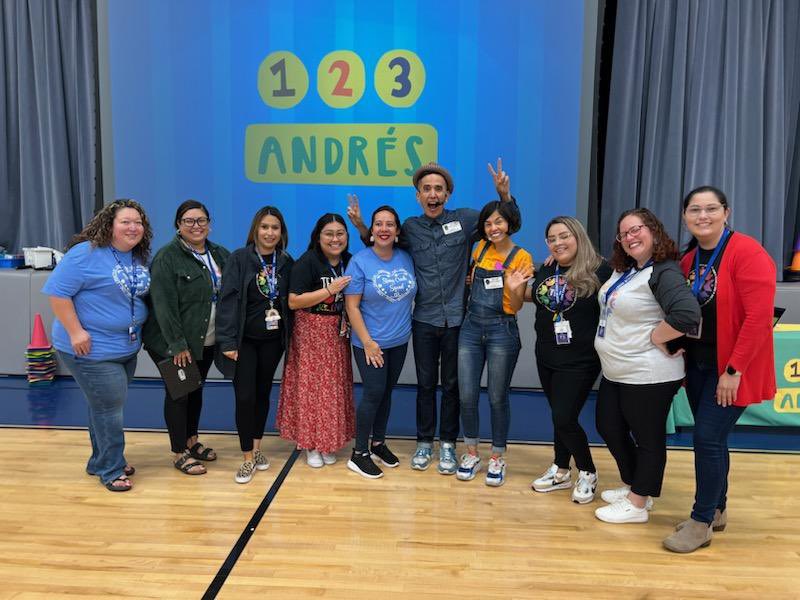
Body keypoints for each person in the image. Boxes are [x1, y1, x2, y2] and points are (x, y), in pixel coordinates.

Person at [347, 159, 516, 475]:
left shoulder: (465, 220)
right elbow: (381, 244)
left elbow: (503, 225)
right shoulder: (409, 227)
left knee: (452, 385)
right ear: (418, 195)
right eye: (426, 189)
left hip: (457, 320)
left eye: (439, 188)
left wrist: (504, 196)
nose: (433, 194)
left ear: (448, 194)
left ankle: (449, 445)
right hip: (423, 321)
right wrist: (360, 228)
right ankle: (425, 443)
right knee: (425, 384)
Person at [662, 186, 776, 553]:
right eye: (694, 210)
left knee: (706, 439)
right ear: (684, 216)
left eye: (711, 209)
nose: (703, 216)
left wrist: (733, 369)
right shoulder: (688, 260)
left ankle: (700, 522)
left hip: (730, 367)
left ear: (726, 212)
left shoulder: (747, 252)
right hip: (698, 364)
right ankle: (718, 509)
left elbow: (759, 319)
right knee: (713, 440)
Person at [593, 208, 700, 524]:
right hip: (617, 370)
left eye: (636, 229)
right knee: (608, 426)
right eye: (624, 233)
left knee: (648, 437)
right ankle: (635, 485)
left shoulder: (663, 271)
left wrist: (657, 336)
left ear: (654, 230)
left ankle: (638, 503)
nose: (630, 237)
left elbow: (686, 315)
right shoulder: (626, 269)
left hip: (648, 373)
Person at [43, 199, 152, 492]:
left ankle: (101, 459)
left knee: (103, 405)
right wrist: (76, 331)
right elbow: (57, 293)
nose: (133, 227)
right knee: (109, 409)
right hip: (90, 349)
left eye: (138, 222)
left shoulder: (137, 256)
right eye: (125, 222)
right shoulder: (85, 254)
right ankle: (111, 468)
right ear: (109, 225)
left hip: (125, 348)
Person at [527, 216, 612, 503]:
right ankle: (561, 469)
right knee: (558, 417)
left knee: (564, 416)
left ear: (578, 236)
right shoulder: (547, 268)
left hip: (581, 359)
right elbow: (538, 299)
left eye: (564, 236)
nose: (558, 242)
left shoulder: (601, 269)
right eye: (552, 239)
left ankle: (587, 470)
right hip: (546, 353)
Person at [143, 200, 230, 475]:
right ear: (178, 226)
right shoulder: (167, 258)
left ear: (209, 224)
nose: (196, 226)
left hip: (205, 340)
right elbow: (164, 305)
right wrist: (177, 344)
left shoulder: (219, 254)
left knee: (195, 390)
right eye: (189, 221)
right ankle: (179, 451)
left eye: (201, 220)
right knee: (180, 394)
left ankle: (192, 441)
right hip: (173, 344)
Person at [456, 200, 533, 487]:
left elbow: (515, 307)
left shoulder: (522, 256)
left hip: (503, 329)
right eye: (488, 223)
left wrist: (513, 289)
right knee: (467, 395)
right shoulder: (479, 249)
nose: (493, 227)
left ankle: (498, 456)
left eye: (498, 221)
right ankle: (472, 452)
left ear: (510, 223)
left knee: (497, 396)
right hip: (471, 328)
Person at [216, 206, 293, 484]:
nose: (269, 233)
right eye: (264, 227)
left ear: (281, 232)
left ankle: (258, 448)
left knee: (262, 395)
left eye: (275, 228)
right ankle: (247, 457)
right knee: (245, 397)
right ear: (255, 230)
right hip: (243, 342)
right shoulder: (239, 259)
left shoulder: (286, 262)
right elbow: (226, 302)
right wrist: (227, 340)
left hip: (273, 342)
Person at [276, 213, 355, 467]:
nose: (335, 239)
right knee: (311, 389)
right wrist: (329, 290)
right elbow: (294, 301)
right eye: (329, 234)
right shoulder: (307, 262)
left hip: (338, 333)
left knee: (332, 389)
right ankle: (310, 444)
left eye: (340, 234)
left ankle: (328, 441)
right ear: (318, 237)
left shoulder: (350, 261)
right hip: (310, 331)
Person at [344, 206, 417, 479]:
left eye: (389, 224)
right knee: (373, 393)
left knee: (386, 392)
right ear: (371, 230)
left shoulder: (406, 258)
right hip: (370, 343)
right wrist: (369, 342)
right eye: (378, 224)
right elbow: (352, 307)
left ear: (398, 231)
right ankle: (359, 453)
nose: (384, 229)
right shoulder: (360, 261)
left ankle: (378, 444)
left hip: (399, 341)